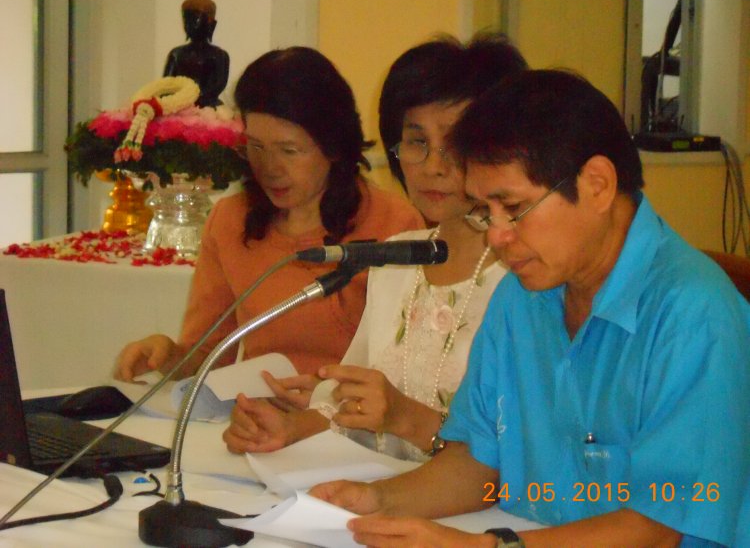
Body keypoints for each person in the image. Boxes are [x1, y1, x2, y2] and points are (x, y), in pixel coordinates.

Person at [309, 70, 750, 546]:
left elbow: (662, 526)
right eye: (485, 212)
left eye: (513, 208)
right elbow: (480, 461)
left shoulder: (694, 314)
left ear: (597, 185)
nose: (497, 237)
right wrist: (378, 500)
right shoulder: (522, 295)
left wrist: (487, 546)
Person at [222, 34, 527, 461]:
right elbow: (353, 404)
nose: (433, 166)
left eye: (456, 142)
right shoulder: (395, 258)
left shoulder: (526, 273)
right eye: (417, 141)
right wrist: (289, 428)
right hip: (380, 487)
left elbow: (525, 452)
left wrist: (409, 420)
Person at [114, 47, 423, 382]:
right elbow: (209, 356)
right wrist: (168, 355)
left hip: (350, 411)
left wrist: (322, 401)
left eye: (289, 150)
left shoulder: (394, 223)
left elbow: (408, 370)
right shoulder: (230, 220)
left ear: (334, 147)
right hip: (258, 408)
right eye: (256, 147)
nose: (270, 168)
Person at [163, 0, 230, 108]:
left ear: (211, 24)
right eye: (186, 20)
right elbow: (167, 84)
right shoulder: (176, 54)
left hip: (207, 106)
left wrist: (196, 98)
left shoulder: (219, 55)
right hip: (178, 104)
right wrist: (177, 99)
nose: (189, 25)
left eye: (196, 20)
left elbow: (218, 85)